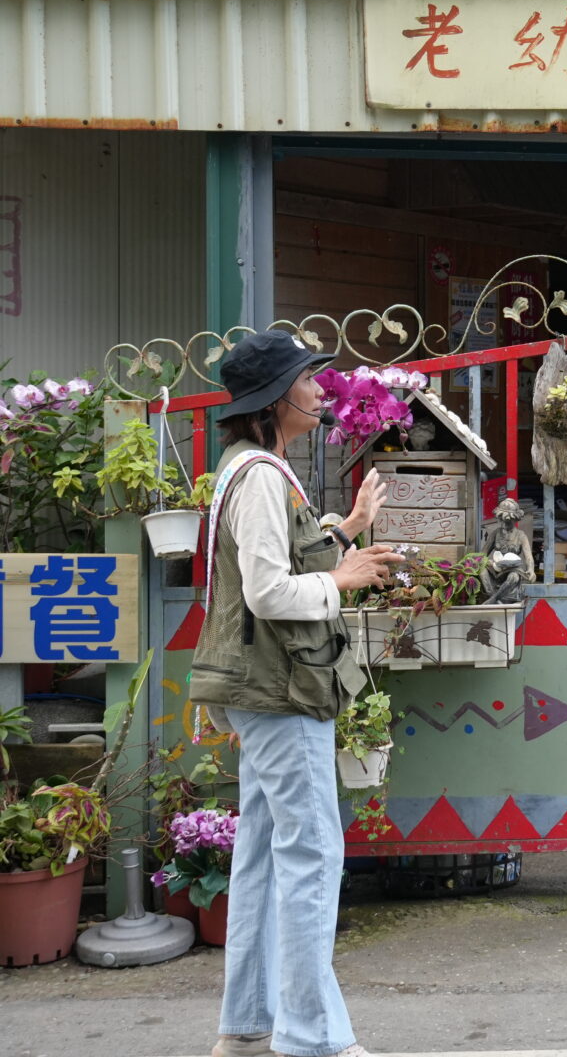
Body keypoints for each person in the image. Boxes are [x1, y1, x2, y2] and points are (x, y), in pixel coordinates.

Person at [189, 329, 406, 1057]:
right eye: (308, 380)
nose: (319, 389)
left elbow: (280, 565)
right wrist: (342, 578)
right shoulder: (259, 477)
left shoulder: (252, 468)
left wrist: (348, 530)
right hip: (280, 689)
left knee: (261, 854)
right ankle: (311, 1038)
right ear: (276, 399)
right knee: (312, 852)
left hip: (263, 688)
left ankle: (248, 1025)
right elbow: (268, 591)